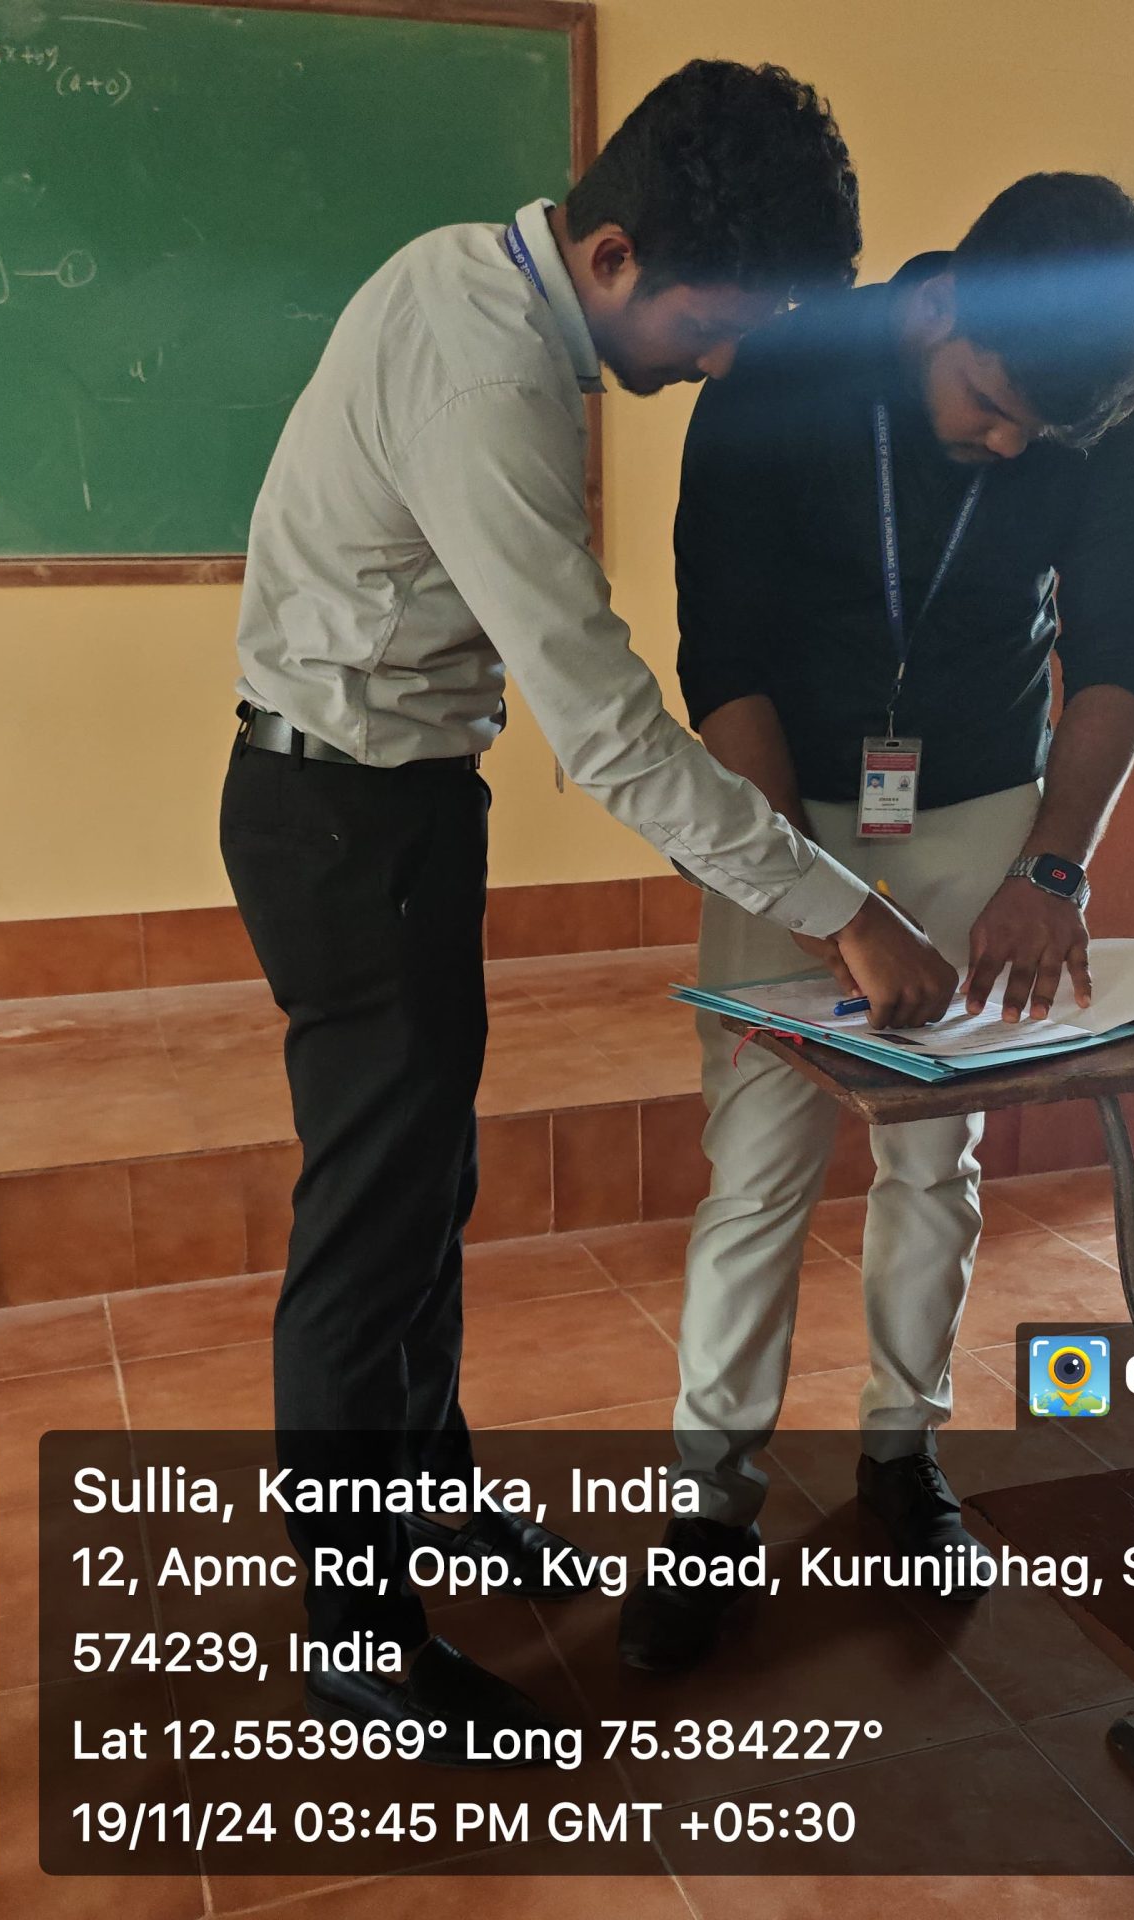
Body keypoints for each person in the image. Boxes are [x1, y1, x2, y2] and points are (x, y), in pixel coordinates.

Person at [220, 60, 956, 1758]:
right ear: (614, 255)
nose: (718, 364)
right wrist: (844, 909)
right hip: (344, 818)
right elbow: (613, 733)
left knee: (425, 1191)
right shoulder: (488, 372)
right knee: (366, 1242)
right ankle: (356, 1638)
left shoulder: (471, 277)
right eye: (716, 324)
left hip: (395, 801)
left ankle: (432, 1496)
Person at [617, 173, 1134, 1673]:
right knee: (760, 1166)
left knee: (938, 1157)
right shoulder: (773, 379)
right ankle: (707, 1505)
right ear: (936, 308)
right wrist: (820, 905)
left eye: (1036, 436)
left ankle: (900, 1452)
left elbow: (1119, 656)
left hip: (985, 810)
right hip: (785, 806)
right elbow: (724, 661)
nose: (1006, 447)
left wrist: (1051, 873)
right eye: (989, 406)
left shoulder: (1099, 410)